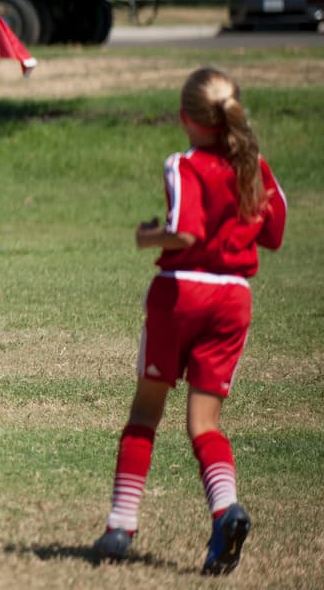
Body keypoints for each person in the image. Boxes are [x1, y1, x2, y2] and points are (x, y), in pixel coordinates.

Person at [91, 67, 286, 575]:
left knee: (144, 413)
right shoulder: (256, 168)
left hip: (181, 294)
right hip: (233, 301)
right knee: (205, 424)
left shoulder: (184, 163)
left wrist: (146, 237)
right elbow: (274, 232)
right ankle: (226, 511)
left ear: (186, 118)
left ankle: (120, 524)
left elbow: (186, 232)